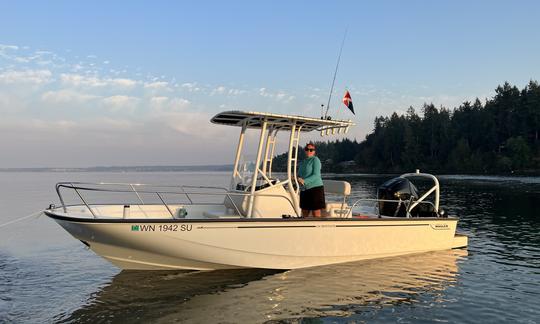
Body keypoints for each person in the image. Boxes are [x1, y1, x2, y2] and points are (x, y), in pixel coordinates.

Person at [297, 143, 326, 217]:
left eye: (311, 150)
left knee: (315, 212)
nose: (309, 151)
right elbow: (299, 175)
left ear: (314, 152)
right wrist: (297, 179)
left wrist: (304, 181)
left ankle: (318, 228)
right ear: (305, 151)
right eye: (307, 149)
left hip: (315, 189)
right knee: (304, 211)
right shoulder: (302, 162)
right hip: (304, 189)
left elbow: (316, 175)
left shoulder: (315, 160)